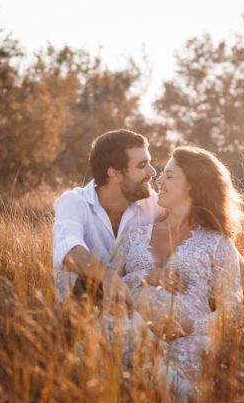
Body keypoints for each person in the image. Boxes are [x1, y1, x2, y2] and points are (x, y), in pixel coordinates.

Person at [111, 146, 244, 400]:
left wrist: (186, 326)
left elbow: (232, 309)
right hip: (133, 335)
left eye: (169, 176)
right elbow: (104, 286)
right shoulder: (133, 235)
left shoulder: (217, 242)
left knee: (168, 389)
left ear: (193, 185)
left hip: (188, 343)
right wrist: (145, 277)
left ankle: (175, 394)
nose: (158, 180)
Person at [52, 129, 185, 305]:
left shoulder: (151, 203)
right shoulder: (74, 202)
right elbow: (69, 249)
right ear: (114, 173)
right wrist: (107, 277)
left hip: (135, 308)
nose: (152, 172)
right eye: (142, 165)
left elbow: (190, 218)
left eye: (150, 163)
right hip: (80, 312)